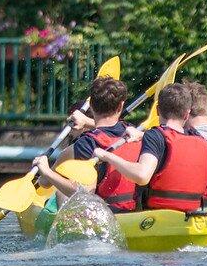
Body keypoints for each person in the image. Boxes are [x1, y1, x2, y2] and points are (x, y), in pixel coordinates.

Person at [91, 82, 207, 212]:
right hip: (193, 216)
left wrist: (107, 156)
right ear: (187, 114)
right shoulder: (198, 139)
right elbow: (172, 141)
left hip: (159, 219)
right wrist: (142, 135)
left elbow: (142, 176)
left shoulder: (155, 136)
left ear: (158, 110)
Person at [35, 76, 140, 212]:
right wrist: (86, 121)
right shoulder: (134, 133)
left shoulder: (82, 146)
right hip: (136, 211)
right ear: (121, 106)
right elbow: (111, 129)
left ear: (91, 106)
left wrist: (45, 170)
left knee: (60, 190)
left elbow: (45, 183)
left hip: (103, 216)